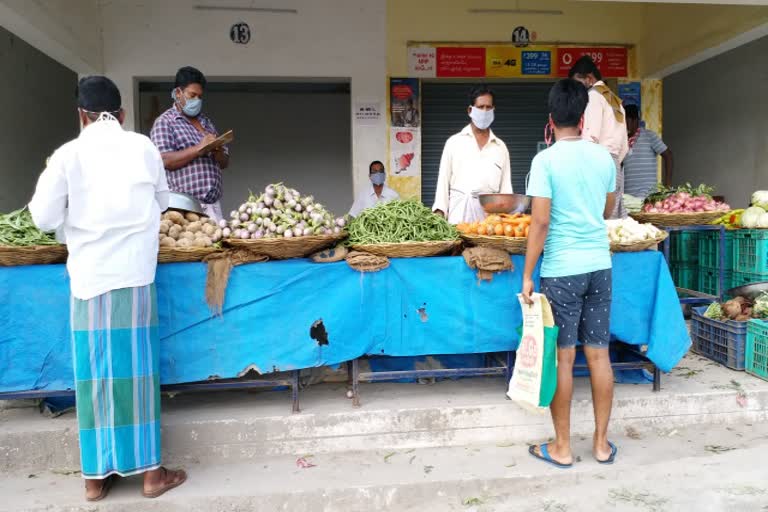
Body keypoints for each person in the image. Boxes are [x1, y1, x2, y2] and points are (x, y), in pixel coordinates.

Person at [28, 76, 187, 501]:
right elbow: (163, 201)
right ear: (121, 114)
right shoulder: (143, 147)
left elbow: (42, 217)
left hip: (91, 279)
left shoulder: (68, 154)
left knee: (95, 374)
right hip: (134, 276)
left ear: (80, 114)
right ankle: (151, 475)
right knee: (137, 374)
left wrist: (70, 220)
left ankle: (95, 478)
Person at [522, 78, 618, 469]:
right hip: (599, 266)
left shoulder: (544, 161)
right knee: (599, 356)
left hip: (561, 271)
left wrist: (528, 273)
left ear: (551, 119)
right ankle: (600, 445)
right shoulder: (603, 158)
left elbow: (540, 222)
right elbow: (607, 211)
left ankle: (562, 447)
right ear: (582, 117)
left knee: (564, 359)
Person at [151, 66, 229, 221]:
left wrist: (218, 151)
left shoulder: (206, 123)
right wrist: (199, 148)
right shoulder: (165, 122)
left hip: (212, 205)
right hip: (184, 210)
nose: (197, 101)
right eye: (192, 95)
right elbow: (164, 160)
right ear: (178, 93)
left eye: (200, 97)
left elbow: (224, 162)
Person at [432, 84, 513, 224]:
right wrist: (438, 218)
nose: (485, 111)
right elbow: (442, 183)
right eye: (481, 107)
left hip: (489, 225)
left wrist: (506, 221)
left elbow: (506, 189)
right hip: (458, 220)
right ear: (470, 110)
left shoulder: (500, 147)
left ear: (494, 110)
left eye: (489, 107)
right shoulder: (454, 142)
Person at [569, 56, 628, 219]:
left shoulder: (594, 96)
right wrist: (612, 162)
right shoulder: (616, 101)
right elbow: (624, 146)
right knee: (613, 221)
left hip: (597, 164)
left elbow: (590, 138)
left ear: (589, 78)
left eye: (578, 82)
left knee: (596, 217)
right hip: (615, 164)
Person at [622, 104, 673, 198]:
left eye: (627, 122)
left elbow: (668, 155)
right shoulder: (622, 141)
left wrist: (668, 184)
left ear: (635, 121)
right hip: (628, 196)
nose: (625, 127)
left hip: (648, 194)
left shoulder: (649, 136)